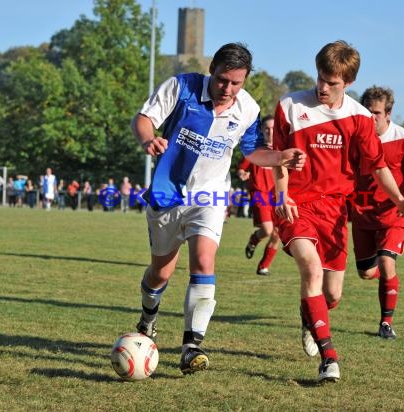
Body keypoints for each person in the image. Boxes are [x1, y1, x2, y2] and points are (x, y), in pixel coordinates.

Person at [130, 42, 306, 375]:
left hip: (209, 198)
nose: (228, 89)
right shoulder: (181, 87)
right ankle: (148, 319)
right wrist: (147, 139)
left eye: (236, 83)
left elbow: (254, 153)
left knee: (204, 260)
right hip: (167, 195)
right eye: (223, 80)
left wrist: (281, 156)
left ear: (245, 80)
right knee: (161, 272)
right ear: (212, 70)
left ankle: (191, 345)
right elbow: (143, 119)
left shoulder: (248, 109)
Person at [271, 41, 404, 383]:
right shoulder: (290, 106)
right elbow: (280, 159)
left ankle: (309, 317)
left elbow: (377, 167)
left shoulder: (358, 117)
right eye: (320, 78)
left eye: (332, 82)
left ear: (349, 82)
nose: (322, 87)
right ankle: (330, 359)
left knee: (332, 295)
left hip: (335, 211)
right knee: (311, 270)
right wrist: (281, 195)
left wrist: (401, 200)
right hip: (297, 206)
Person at [352, 86, 404, 342]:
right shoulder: (355, 138)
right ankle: (383, 275)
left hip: (395, 213)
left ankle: (385, 323)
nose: (371, 117)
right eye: (367, 112)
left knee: (388, 264)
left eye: (376, 113)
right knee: (367, 273)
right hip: (362, 212)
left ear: (388, 114)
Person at [238, 115, 281, 276]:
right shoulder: (255, 150)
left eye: (273, 129)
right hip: (260, 194)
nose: (270, 132)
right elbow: (242, 168)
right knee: (268, 230)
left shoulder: (282, 150)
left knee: (277, 235)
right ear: (261, 130)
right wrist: (243, 173)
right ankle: (254, 239)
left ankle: (263, 266)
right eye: (267, 128)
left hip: (277, 197)